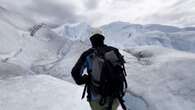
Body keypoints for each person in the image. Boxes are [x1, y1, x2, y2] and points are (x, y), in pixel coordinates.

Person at [71, 33, 127, 110]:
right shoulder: (114, 50)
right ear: (103, 39)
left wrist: (86, 79)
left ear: (91, 41)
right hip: (115, 96)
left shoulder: (87, 54)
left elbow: (75, 73)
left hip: (96, 98)